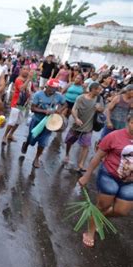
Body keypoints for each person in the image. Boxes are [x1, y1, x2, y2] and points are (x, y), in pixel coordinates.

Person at [78, 114, 133, 248]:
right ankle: (90, 232)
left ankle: (99, 218)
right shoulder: (114, 136)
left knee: (122, 211)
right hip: (110, 176)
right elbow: (98, 156)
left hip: (130, 182)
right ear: (128, 122)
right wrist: (87, 175)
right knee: (102, 206)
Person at [21, 79, 67, 168]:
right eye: (52, 88)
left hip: (49, 123)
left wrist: (59, 111)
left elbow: (65, 104)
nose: (53, 90)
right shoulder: (38, 94)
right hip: (37, 121)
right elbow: (32, 108)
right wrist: (44, 111)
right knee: (31, 139)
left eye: (55, 88)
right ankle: (26, 143)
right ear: (47, 86)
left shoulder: (58, 96)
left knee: (43, 142)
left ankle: (37, 158)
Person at [63, 82, 105, 171]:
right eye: (99, 89)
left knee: (86, 145)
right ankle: (67, 154)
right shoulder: (80, 98)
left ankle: (81, 164)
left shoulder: (99, 98)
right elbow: (74, 109)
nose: (100, 91)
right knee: (69, 141)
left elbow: (102, 109)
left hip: (88, 127)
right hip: (77, 125)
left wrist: (100, 109)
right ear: (93, 89)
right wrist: (76, 118)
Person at [2, 65, 33, 144]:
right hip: (16, 104)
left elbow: (29, 90)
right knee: (12, 121)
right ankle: (4, 136)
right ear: (21, 71)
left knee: (18, 121)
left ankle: (11, 135)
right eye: (24, 69)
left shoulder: (28, 80)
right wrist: (29, 79)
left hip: (23, 105)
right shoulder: (18, 79)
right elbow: (21, 88)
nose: (26, 71)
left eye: (27, 69)